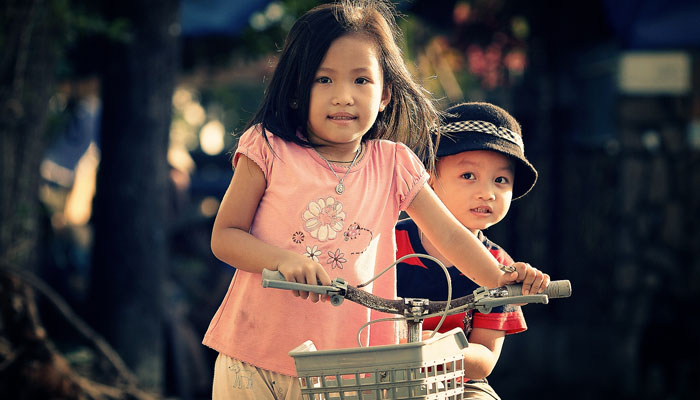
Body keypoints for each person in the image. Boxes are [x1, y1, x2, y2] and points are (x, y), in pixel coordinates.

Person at [203, 2, 548, 399]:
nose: (343, 97)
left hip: (352, 368)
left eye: (361, 81)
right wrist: (284, 260)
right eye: (323, 80)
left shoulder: (394, 163)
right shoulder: (266, 147)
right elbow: (225, 236)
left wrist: (503, 280)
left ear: (385, 93)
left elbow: (453, 238)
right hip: (253, 357)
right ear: (296, 90)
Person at [396, 101, 549, 399]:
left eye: (500, 180)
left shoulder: (499, 267)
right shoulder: (388, 242)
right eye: (469, 176)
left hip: (459, 381)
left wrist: (436, 351)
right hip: (383, 373)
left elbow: (485, 360)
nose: (487, 192)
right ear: (428, 176)